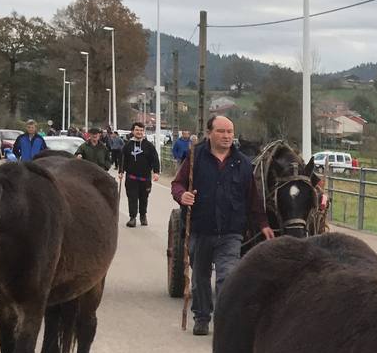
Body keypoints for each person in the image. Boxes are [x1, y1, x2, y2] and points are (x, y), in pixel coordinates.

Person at [170, 115, 273, 336]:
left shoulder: (243, 163)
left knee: (228, 276)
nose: (227, 136)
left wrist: (263, 223)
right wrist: (183, 195)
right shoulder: (195, 157)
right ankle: (202, 317)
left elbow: (252, 198)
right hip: (201, 228)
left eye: (230, 132)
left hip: (231, 232)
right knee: (200, 278)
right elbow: (177, 183)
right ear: (209, 133)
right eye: (221, 131)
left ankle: (224, 321)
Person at [117, 122, 161, 228]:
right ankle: (132, 218)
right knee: (132, 198)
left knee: (144, 198)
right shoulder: (127, 146)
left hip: (145, 178)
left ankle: (143, 215)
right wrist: (121, 171)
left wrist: (156, 172)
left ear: (143, 132)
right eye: (137, 130)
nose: (139, 132)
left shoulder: (149, 146)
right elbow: (122, 160)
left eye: (141, 130)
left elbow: (155, 159)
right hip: (131, 177)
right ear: (133, 131)